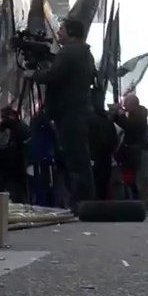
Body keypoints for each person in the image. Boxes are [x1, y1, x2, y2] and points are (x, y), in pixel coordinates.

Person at [26, 17, 96, 210]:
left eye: (62, 29)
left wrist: (34, 74)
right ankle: (84, 200)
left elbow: (53, 76)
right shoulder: (84, 53)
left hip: (70, 112)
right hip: (76, 110)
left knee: (75, 158)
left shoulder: (69, 53)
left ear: (71, 32)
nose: (58, 33)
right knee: (79, 157)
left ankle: (82, 202)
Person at [112, 93, 148, 212]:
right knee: (138, 179)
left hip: (141, 152)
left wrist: (120, 115)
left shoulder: (139, 114)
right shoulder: (135, 114)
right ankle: (144, 205)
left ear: (132, 103)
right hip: (137, 151)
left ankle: (146, 206)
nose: (124, 105)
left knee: (141, 179)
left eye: (126, 103)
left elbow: (129, 127)